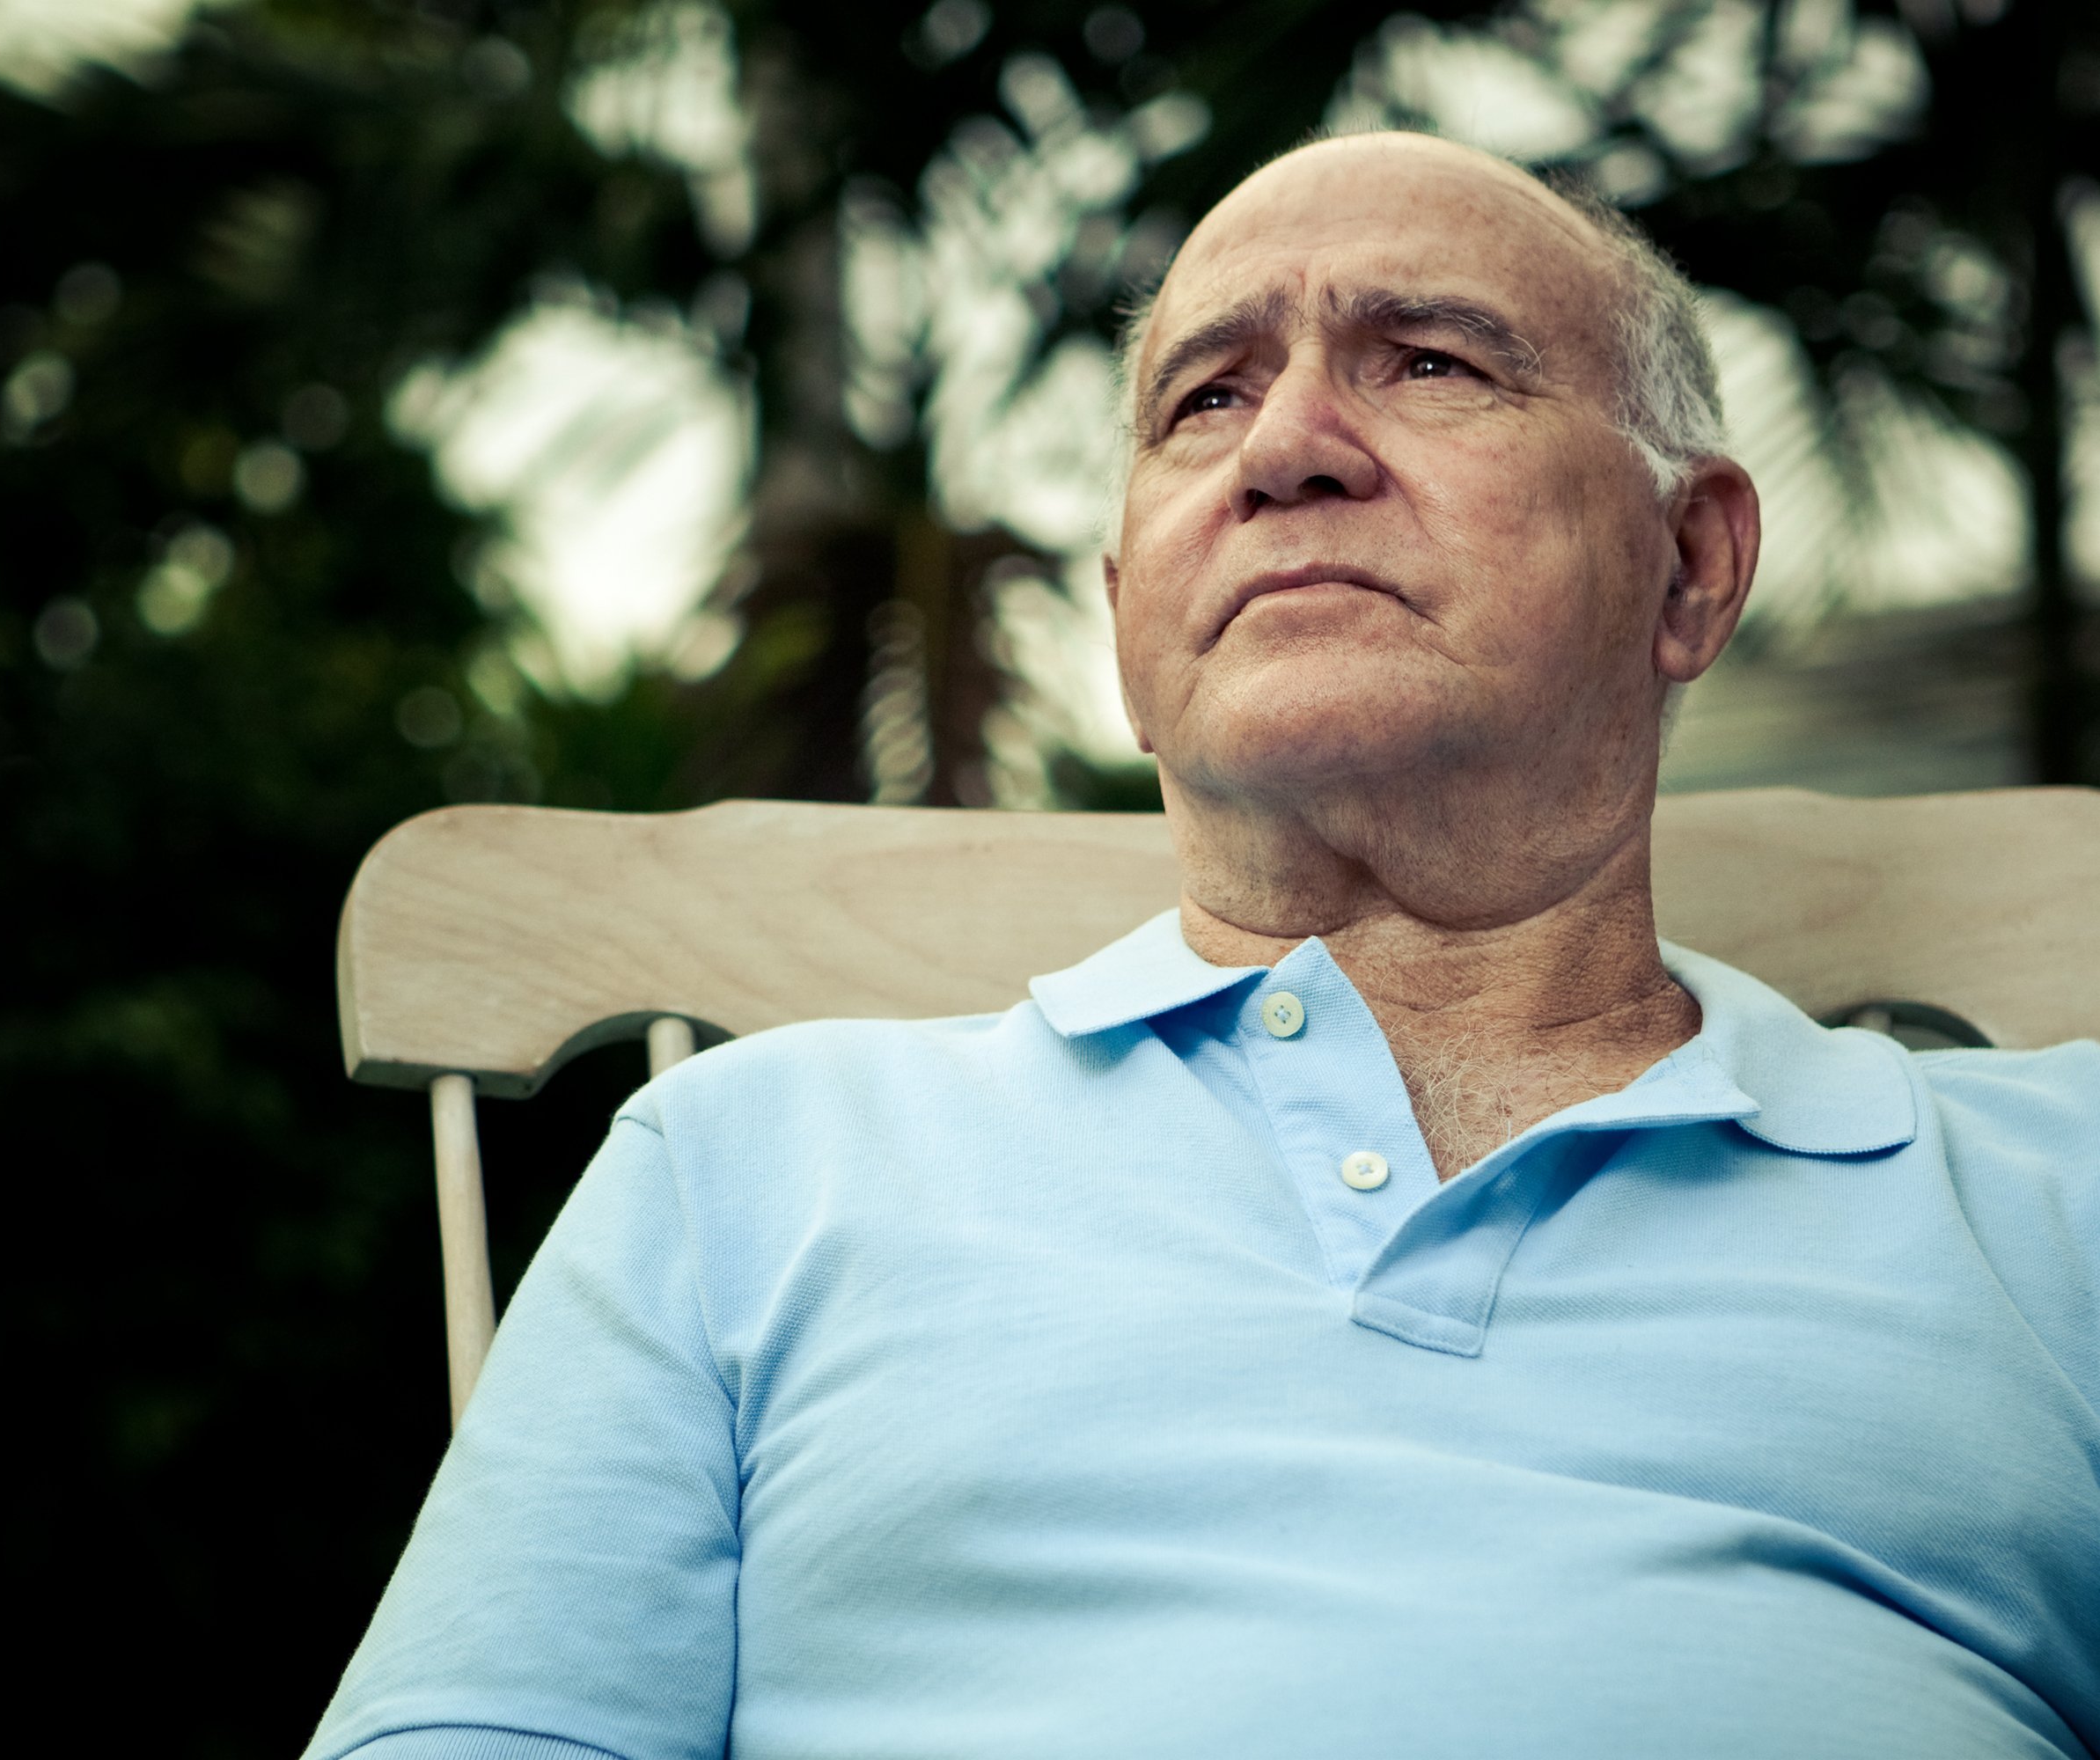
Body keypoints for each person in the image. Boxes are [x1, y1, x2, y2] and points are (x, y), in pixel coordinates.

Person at [305, 132, 2100, 1759]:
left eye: (1429, 361)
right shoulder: (743, 1168)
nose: (1288, 448)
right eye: (1202, 397)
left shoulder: (2056, 1193)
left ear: (1690, 564)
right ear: (1127, 620)